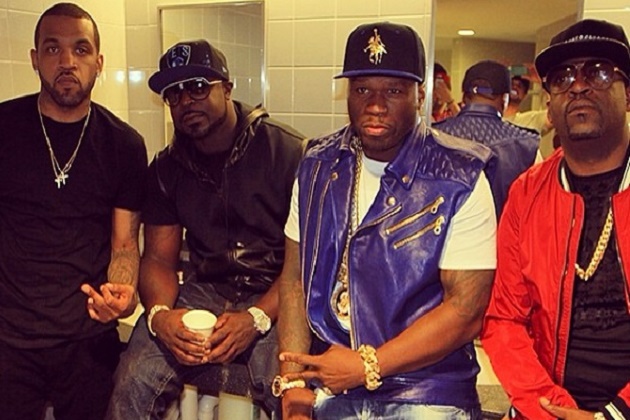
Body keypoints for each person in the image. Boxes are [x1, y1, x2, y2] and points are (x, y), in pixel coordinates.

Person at [276, 22, 497, 420]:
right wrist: (293, 383)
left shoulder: (459, 175)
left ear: (420, 95)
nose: (375, 105)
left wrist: (367, 365)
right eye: (362, 90)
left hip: (427, 388)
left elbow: (465, 311)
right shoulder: (317, 166)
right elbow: (293, 280)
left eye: (393, 91)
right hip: (333, 378)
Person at [106, 39, 304, 419]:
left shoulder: (288, 152)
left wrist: (257, 317)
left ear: (226, 88)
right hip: (204, 292)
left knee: (291, 393)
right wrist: (160, 315)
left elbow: (305, 267)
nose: (186, 101)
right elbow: (158, 260)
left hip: (275, 294)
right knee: (132, 378)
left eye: (198, 87)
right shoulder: (166, 169)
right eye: (174, 94)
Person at [0, 3, 148, 420]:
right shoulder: (5, 128)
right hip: (9, 342)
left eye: (81, 49)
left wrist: (122, 294)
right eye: (53, 49)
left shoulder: (124, 145)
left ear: (99, 62)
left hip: (88, 342)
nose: (67, 61)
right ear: (35, 59)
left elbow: (124, 244)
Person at [481, 19, 630, 420]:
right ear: (549, 104)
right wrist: (547, 408)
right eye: (562, 77)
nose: (578, 86)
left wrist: (614, 416)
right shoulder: (527, 193)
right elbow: (504, 319)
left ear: (628, 93)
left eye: (598, 72)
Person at [435, 60, 540, 216]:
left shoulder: (433, 135)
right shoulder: (527, 145)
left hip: (444, 231)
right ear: (504, 99)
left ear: (465, 97)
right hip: (503, 231)